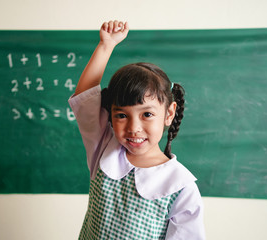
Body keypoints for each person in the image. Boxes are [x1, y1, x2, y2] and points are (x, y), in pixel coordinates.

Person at [69, 20, 206, 240]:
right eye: (122, 115)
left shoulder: (180, 187)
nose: (134, 128)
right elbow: (84, 98)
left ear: (169, 113)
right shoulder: (104, 148)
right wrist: (106, 46)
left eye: (147, 114)